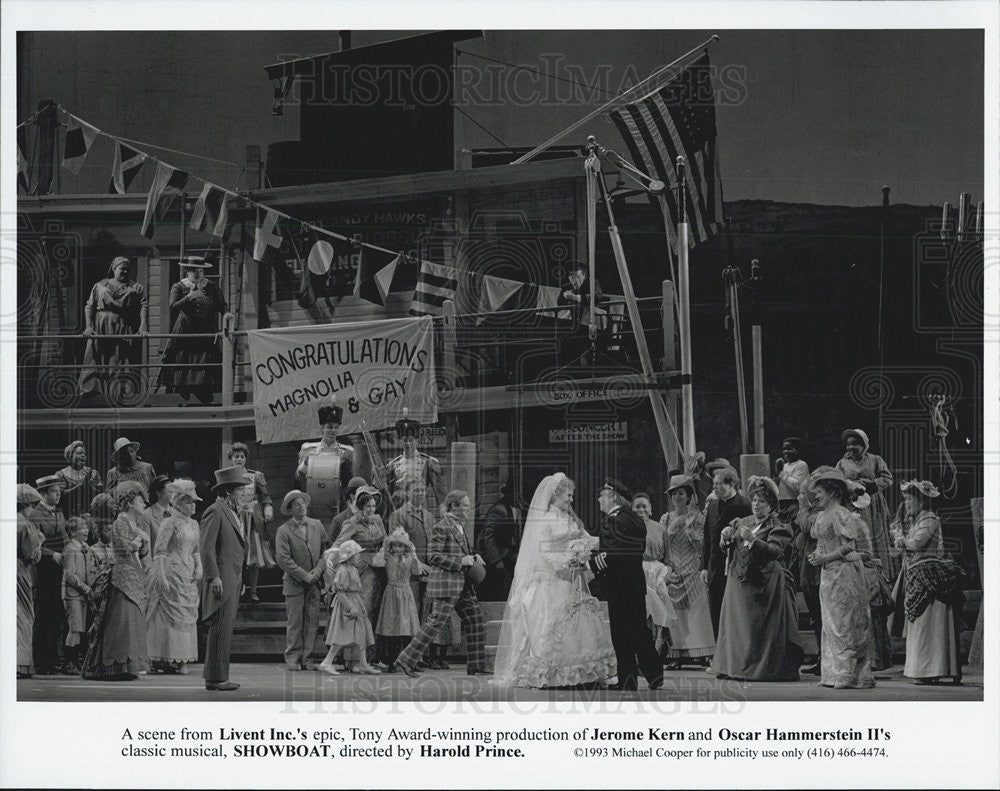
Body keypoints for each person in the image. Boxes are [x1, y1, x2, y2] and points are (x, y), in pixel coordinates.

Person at [492, 473, 615, 688]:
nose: (571, 500)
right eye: (568, 495)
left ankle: (581, 672)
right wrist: (569, 561)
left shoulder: (570, 519)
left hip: (572, 579)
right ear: (554, 496)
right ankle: (553, 673)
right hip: (552, 580)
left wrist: (605, 543)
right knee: (553, 624)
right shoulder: (546, 520)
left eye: (571, 495)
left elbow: (586, 539)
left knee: (579, 624)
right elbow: (544, 550)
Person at [711, 476, 803, 681]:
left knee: (758, 630)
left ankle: (762, 671)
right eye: (754, 500)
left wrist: (754, 541)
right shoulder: (741, 522)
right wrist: (724, 538)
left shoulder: (779, 526)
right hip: (738, 582)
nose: (756, 504)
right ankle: (735, 669)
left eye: (762, 501)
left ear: (771, 506)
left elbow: (775, 551)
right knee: (738, 627)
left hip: (765, 583)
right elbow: (728, 546)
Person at [392, 490, 489, 677]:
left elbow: (463, 552)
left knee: (476, 619)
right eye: (466, 506)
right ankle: (405, 660)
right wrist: (461, 561)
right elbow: (433, 556)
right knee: (434, 623)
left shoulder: (460, 526)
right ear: (454, 506)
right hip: (447, 585)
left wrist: (474, 556)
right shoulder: (441, 527)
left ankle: (476, 664)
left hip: (462, 585)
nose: (469, 510)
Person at [589, 478, 663, 691]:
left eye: (602, 495)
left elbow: (613, 553)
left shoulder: (614, 520)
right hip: (634, 582)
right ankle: (654, 673)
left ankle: (628, 679)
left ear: (612, 496)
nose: (599, 499)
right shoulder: (633, 518)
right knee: (638, 629)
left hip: (619, 584)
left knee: (621, 633)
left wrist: (591, 563)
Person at [806, 469, 876, 689]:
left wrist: (825, 556)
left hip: (844, 572)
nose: (816, 496)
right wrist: (816, 555)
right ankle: (833, 673)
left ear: (833, 492)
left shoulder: (842, 514)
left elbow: (848, 546)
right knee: (830, 620)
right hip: (828, 574)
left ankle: (850, 673)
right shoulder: (820, 516)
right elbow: (820, 541)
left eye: (819, 492)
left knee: (845, 622)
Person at [890, 480, 964, 685]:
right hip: (916, 575)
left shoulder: (929, 518)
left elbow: (916, 543)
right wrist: (899, 538)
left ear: (921, 501)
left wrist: (901, 537)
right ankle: (924, 670)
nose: (906, 504)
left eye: (909, 499)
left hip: (931, 576)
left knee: (931, 624)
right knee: (921, 624)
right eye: (905, 500)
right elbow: (902, 549)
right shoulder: (915, 521)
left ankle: (933, 669)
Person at [82, 482, 151, 681]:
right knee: (121, 620)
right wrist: (139, 541)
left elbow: (141, 553)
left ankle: (128, 666)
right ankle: (113, 667)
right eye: (140, 499)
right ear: (129, 503)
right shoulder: (121, 521)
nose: (144, 503)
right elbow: (121, 549)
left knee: (132, 620)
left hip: (134, 573)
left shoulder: (134, 523)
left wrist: (144, 542)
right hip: (121, 577)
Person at [199, 465, 252, 691]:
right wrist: (214, 577)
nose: (243, 493)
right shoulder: (215, 511)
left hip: (233, 578)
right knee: (220, 628)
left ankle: (217, 676)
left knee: (224, 628)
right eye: (240, 489)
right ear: (229, 491)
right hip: (221, 579)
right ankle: (217, 678)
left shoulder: (231, 512)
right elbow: (206, 548)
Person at [145, 479, 203, 674]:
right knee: (166, 612)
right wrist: (161, 575)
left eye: (194, 502)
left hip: (187, 573)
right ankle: (164, 657)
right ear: (178, 503)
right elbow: (159, 551)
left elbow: (195, 549)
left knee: (186, 613)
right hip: (170, 569)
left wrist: (199, 566)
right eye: (189, 502)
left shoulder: (194, 524)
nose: (193, 505)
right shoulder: (169, 523)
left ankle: (182, 658)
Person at [157, 255, 233, 404]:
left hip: (205, 330)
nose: (198, 274)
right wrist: (189, 297)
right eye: (194, 271)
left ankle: (206, 397)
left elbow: (221, 304)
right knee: (183, 361)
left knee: (206, 362)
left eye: (200, 271)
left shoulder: (211, 287)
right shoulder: (179, 286)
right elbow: (172, 307)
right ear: (187, 271)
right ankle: (182, 396)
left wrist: (226, 313)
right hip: (185, 331)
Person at [660, 475, 715, 668]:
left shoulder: (698, 517)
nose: (677, 497)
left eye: (681, 493)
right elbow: (660, 547)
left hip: (692, 570)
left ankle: (704, 653)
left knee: (697, 614)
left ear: (688, 496)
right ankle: (677, 655)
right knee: (677, 614)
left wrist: (692, 532)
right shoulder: (666, 519)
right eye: (674, 493)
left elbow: (703, 547)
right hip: (673, 569)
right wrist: (670, 532)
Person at [79, 256, 149, 396]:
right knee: (97, 355)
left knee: (123, 357)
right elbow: (90, 306)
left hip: (125, 324)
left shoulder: (136, 287)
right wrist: (88, 326)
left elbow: (144, 305)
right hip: (102, 324)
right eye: (122, 269)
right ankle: (93, 392)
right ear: (114, 268)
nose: (125, 272)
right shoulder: (100, 285)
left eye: (128, 270)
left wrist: (143, 326)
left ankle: (122, 392)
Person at [334, 488, 388, 664]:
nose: (372, 510)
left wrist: (381, 553)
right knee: (360, 612)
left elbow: (385, 540)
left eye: (374, 506)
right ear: (360, 507)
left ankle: (370, 658)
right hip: (361, 571)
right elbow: (339, 544)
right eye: (368, 507)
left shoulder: (378, 520)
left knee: (373, 612)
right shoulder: (352, 523)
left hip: (378, 571)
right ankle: (353, 659)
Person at [274, 490, 326, 672]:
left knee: (312, 622)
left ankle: (308, 658)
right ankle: (293, 658)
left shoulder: (317, 525)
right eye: (297, 504)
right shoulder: (284, 531)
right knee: (295, 622)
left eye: (303, 502)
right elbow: (283, 559)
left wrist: (318, 570)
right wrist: (305, 575)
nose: (301, 506)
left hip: (315, 582)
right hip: (295, 583)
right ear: (290, 510)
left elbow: (325, 551)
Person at [837, 428, 898, 582]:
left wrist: (872, 484)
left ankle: (881, 579)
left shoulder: (875, 460)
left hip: (873, 506)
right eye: (848, 444)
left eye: (855, 444)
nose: (851, 447)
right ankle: (859, 576)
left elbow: (888, 478)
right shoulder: (842, 463)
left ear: (864, 445)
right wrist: (849, 487)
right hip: (853, 505)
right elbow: (836, 482)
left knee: (876, 535)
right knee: (858, 537)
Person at [700, 466, 751, 638]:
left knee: (736, 610)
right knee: (716, 610)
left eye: (719, 484)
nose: (715, 487)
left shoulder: (744, 504)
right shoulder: (713, 505)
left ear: (732, 484)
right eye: (714, 484)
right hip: (715, 566)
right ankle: (719, 655)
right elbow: (707, 537)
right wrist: (704, 567)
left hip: (736, 565)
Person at [317, 541, 381, 676]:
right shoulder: (343, 570)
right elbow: (340, 593)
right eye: (356, 555)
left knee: (361, 633)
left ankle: (363, 664)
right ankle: (327, 661)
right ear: (348, 557)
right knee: (342, 635)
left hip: (356, 601)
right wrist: (350, 607)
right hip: (347, 605)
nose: (358, 557)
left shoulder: (353, 569)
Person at [30, 474, 69, 675]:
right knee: (43, 615)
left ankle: (53, 659)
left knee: (56, 614)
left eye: (59, 491)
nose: (58, 495)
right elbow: (33, 544)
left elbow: (65, 538)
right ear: (44, 494)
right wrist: (51, 554)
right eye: (54, 492)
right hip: (43, 569)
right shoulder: (35, 514)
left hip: (58, 570)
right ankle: (40, 660)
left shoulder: (59, 514)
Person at [228, 442, 275, 603]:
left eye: (242, 457)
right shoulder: (227, 477)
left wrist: (268, 509)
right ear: (231, 459)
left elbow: (266, 497)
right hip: (235, 520)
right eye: (236, 457)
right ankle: (238, 589)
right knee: (237, 556)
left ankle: (253, 591)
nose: (239, 459)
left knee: (254, 557)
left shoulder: (255, 476)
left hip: (253, 521)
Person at [374, 528, 424, 671]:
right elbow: (376, 562)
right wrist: (384, 547)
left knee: (407, 628)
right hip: (391, 592)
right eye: (395, 545)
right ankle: (389, 661)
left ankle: (408, 661)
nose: (397, 548)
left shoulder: (409, 558)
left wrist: (414, 554)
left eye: (400, 545)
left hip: (405, 592)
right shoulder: (388, 557)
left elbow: (417, 571)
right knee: (391, 628)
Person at [296, 404, 354, 523]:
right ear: (322, 429)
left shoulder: (347, 451)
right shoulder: (308, 449)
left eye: (336, 427)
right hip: (314, 501)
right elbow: (299, 476)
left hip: (339, 503)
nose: (333, 430)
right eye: (329, 427)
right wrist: (306, 463)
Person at [633, 492, 675, 652]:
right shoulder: (628, 527)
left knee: (658, 607)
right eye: (637, 507)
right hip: (636, 570)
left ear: (650, 509)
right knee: (642, 610)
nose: (641, 510)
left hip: (656, 572)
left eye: (644, 506)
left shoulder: (660, 528)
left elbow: (668, 556)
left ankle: (659, 643)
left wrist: (668, 571)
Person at [475, 480, 522, 602]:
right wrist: (497, 561)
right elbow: (488, 536)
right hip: (491, 553)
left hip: (504, 550)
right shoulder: (499, 510)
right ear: (510, 494)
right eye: (516, 495)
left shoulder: (515, 509)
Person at [61, 517, 95, 674]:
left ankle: (75, 660)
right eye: (82, 528)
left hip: (82, 594)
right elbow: (69, 574)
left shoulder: (84, 547)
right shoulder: (70, 549)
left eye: (87, 527)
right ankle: (68, 661)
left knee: (80, 627)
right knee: (74, 627)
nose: (86, 530)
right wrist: (85, 588)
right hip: (73, 594)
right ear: (73, 532)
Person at [16, 485, 44, 678]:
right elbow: (31, 556)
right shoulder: (25, 525)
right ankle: (20, 663)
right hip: (19, 571)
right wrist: (39, 542)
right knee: (24, 616)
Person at [556, 264, 605, 366]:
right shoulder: (567, 287)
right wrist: (565, 297)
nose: (573, 279)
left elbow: (596, 297)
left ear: (584, 275)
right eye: (571, 276)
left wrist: (575, 297)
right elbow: (559, 303)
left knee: (584, 349)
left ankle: (583, 374)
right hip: (571, 326)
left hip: (588, 326)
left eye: (576, 276)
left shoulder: (592, 283)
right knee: (562, 345)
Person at [54, 440, 104, 521]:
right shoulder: (61, 474)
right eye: (79, 453)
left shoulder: (92, 473)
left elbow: (101, 496)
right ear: (70, 456)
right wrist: (81, 484)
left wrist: (92, 485)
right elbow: (60, 496)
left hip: (91, 517)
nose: (83, 456)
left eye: (84, 454)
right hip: (68, 518)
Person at [774, 437, 809, 527]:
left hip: (794, 503)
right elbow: (777, 485)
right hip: (782, 505)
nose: (785, 452)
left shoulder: (801, 465)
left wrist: (782, 473)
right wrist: (777, 471)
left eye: (789, 449)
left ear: (797, 450)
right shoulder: (784, 466)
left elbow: (797, 486)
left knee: (791, 528)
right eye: (784, 449)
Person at [329, 476, 368, 545]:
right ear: (352, 496)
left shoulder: (372, 517)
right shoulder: (339, 521)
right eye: (362, 495)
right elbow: (332, 549)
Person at [141, 475, 173, 553]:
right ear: (158, 493)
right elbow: (146, 550)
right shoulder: (147, 515)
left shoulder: (178, 513)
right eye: (169, 489)